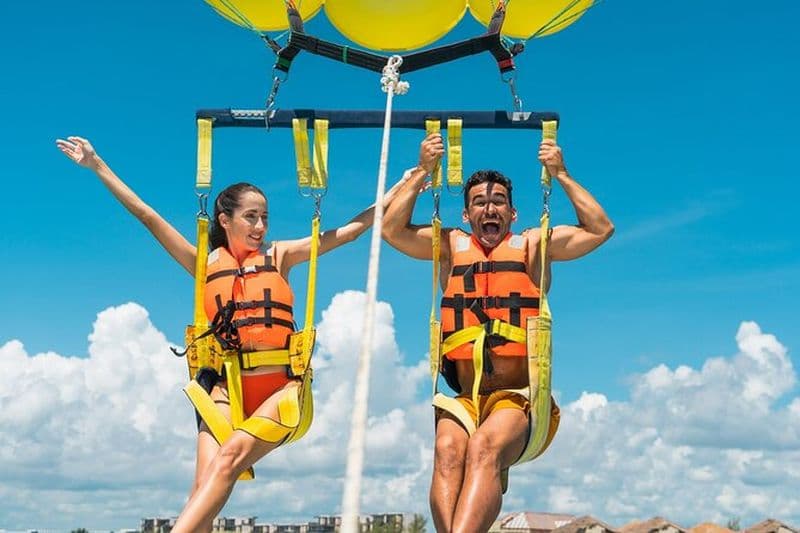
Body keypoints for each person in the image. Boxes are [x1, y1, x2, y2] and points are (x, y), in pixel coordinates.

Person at [56, 135, 407, 533]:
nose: (260, 227)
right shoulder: (205, 265)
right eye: (251, 217)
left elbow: (350, 231)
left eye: (265, 218)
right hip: (225, 389)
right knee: (201, 491)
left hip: (280, 391)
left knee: (229, 460)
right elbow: (148, 216)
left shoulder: (280, 256)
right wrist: (97, 164)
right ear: (225, 220)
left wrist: (401, 186)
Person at [382, 133, 614, 533]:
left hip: (520, 399)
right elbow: (391, 229)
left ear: (512, 213)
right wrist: (423, 170)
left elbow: (600, 228)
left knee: (484, 447)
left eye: (498, 202)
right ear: (468, 215)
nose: (489, 208)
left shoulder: (532, 246)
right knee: (448, 450)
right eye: (479, 203)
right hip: (465, 399)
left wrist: (560, 173)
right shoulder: (450, 246)